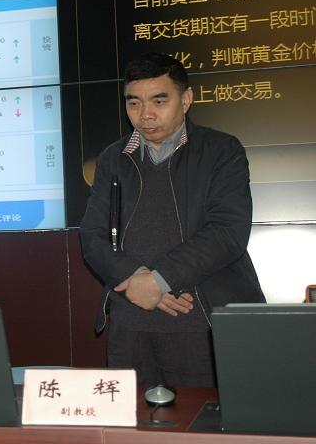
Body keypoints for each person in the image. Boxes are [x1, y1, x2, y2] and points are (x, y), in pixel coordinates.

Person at [80, 52, 264, 388]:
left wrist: (159, 281)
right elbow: (92, 236)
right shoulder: (112, 159)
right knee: (131, 418)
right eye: (134, 103)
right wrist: (136, 279)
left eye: (159, 101)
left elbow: (228, 232)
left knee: (201, 419)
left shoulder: (221, 151)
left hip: (200, 320)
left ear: (186, 99)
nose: (145, 114)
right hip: (129, 322)